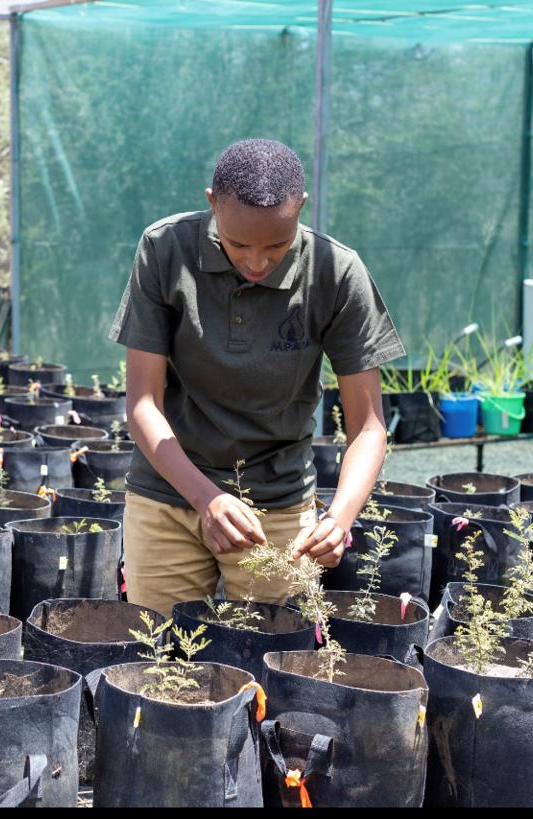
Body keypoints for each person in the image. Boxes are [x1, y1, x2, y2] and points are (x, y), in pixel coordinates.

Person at [109, 139, 405, 618]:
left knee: (269, 664)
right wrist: (206, 498)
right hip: (168, 495)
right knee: (159, 663)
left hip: (278, 508)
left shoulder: (336, 272)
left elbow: (369, 427)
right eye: (238, 243)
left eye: (277, 245)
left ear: (300, 209)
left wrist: (339, 519)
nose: (257, 261)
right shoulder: (165, 249)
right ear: (212, 203)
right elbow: (143, 402)